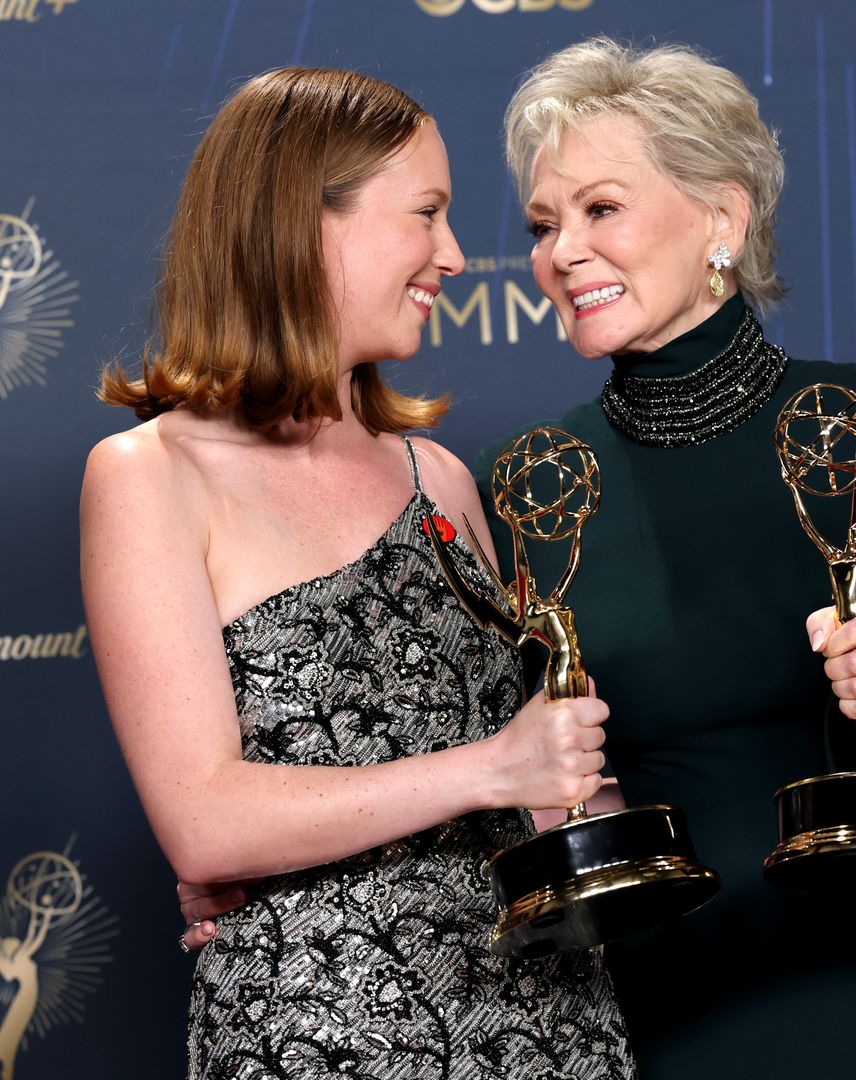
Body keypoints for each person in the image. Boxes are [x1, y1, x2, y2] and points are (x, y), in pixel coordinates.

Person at [178, 40, 856, 1079]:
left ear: (722, 219)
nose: (560, 252)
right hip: (672, 1004)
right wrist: (253, 875)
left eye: (600, 210)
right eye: (544, 225)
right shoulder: (527, 483)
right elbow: (490, 763)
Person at [80, 66, 637, 1080]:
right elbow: (204, 825)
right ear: (307, 223)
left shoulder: (442, 478)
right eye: (426, 214)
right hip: (321, 1039)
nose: (457, 257)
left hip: (549, 1028)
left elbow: (536, 800)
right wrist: (492, 767)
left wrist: (567, 773)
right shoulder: (150, 477)